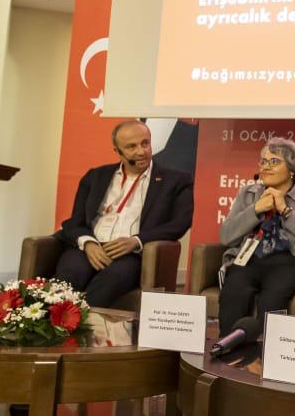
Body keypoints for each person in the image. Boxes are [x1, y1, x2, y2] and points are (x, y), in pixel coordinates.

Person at [54, 120, 194, 307]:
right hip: (90, 247)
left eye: (145, 143)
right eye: (131, 147)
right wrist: (88, 243)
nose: (141, 151)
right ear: (117, 151)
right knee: (70, 275)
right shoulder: (95, 177)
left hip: (130, 254)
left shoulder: (176, 180)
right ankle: (53, 321)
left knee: (110, 280)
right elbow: (75, 221)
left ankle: (79, 320)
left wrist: (136, 241)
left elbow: (180, 223)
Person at [217, 136, 295, 336]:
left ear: (292, 169)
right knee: (233, 293)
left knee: (272, 300)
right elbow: (226, 236)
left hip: (289, 262)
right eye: (263, 161)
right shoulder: (248, 193)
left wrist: (285, 210)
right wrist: (255, 209)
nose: (266, 166)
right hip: (248, 259)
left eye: (274, 161)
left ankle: (268, 352)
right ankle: (229, 348)